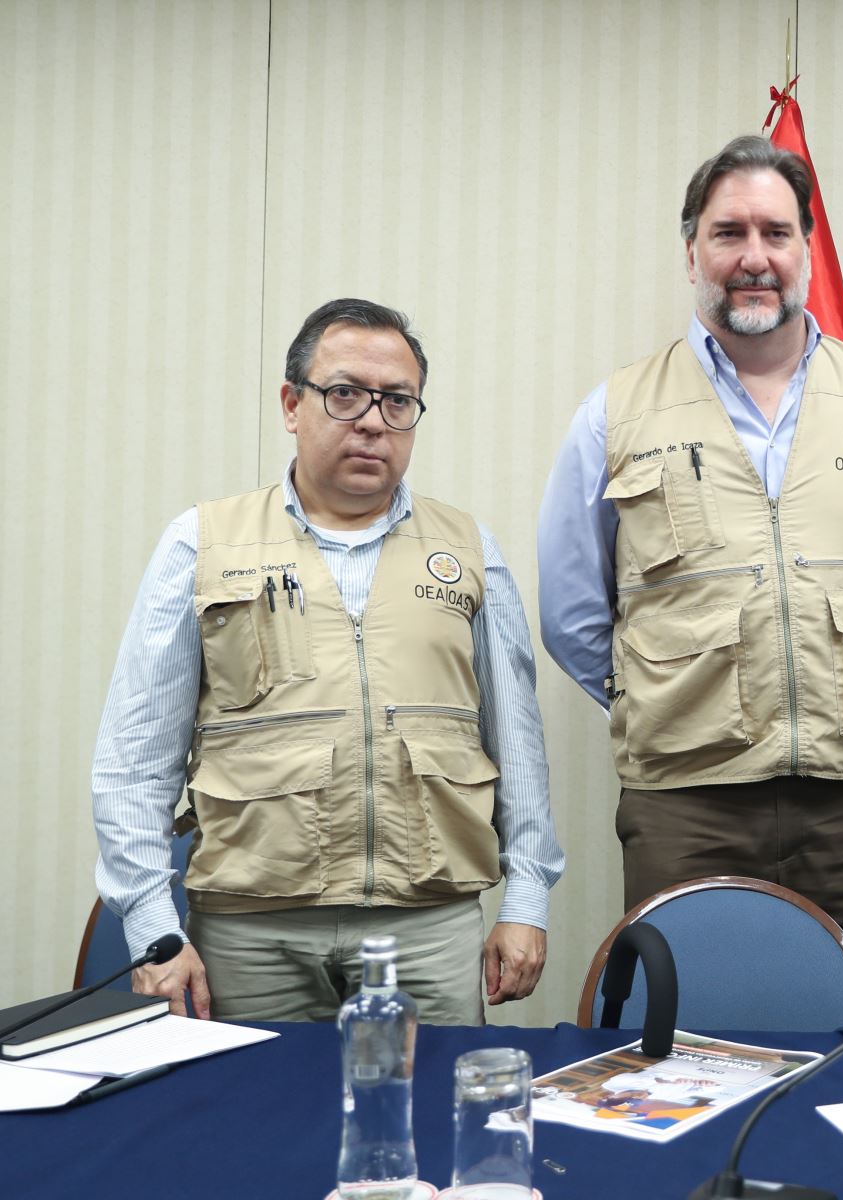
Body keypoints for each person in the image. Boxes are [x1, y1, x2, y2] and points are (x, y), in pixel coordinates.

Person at [536, 135, 843, 1014]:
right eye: (728, 233)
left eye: (776, 232)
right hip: (688, 803)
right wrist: (668, 695)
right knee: (679, 1039)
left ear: (805, 249)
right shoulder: (616, 411)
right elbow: (572, 613)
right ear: (692, 252)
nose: (753, 257)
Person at [92, 298, 564, 1024]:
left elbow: (518, 746)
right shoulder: (202, 544)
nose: (373, 419)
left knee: (428, 1126)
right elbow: (134, 761)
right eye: (344, 394)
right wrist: (155, 930)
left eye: (397, 401)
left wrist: (527, 901)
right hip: (252, 936)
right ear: (292, 403)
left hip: (428, 930)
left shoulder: (469, 550)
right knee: (257, 1128)